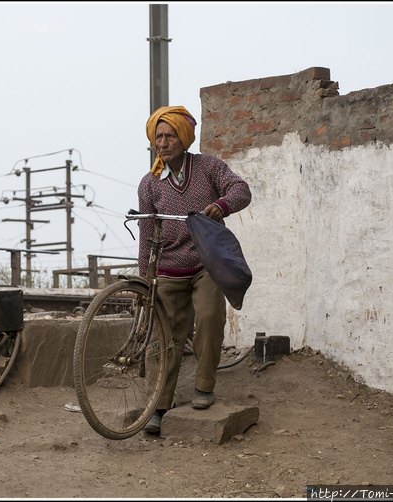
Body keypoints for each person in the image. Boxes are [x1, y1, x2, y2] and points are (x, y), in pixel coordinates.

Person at [138, 105, 252, 434]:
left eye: (170, 135)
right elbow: (147, 233)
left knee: (210, 318)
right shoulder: (149, 185)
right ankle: (158, 405)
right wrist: (146, 274)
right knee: (163, 337)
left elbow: (241, 190)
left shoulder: (208, 168)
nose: (163, 142)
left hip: (206, 263)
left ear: (184, 138)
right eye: (158, 136)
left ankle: (204, 387)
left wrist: (221, 205)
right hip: (169, 269)